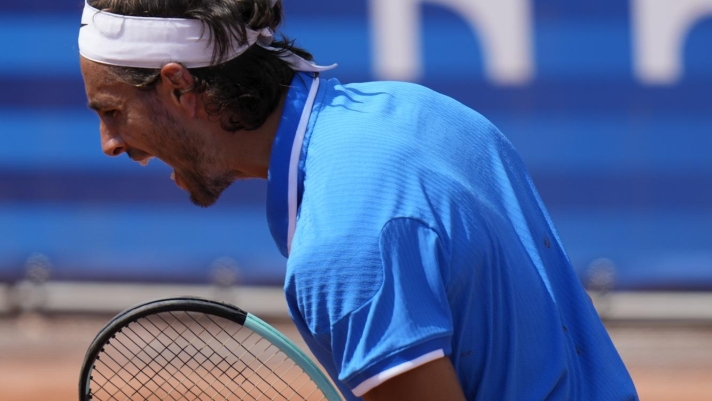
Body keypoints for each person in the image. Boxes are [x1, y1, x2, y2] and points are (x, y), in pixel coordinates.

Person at [77, 0, 639, 400]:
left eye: (111, 110)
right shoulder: (415, 110)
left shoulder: (341, 247)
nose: (109, 143)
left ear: (179, 87)